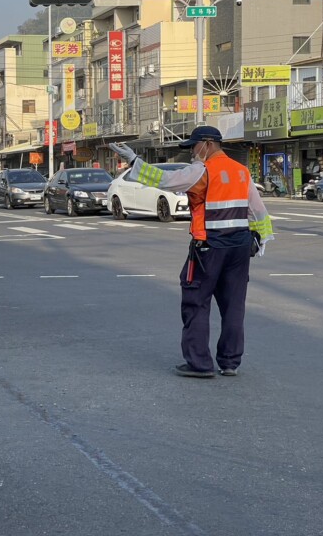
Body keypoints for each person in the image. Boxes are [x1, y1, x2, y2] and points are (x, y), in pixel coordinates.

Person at [110, 126, 274, 378]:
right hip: (240, 247)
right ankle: (230, 361)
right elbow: (258, 210)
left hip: (209, 247)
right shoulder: (241, 171)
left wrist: (133, 160)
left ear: (208, 144)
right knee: (233, 305)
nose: (192, 153)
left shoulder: (203, 170)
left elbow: (164, 180)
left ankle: (200, 363)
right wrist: (260, 240)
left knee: (196, 302)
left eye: (194, 147)